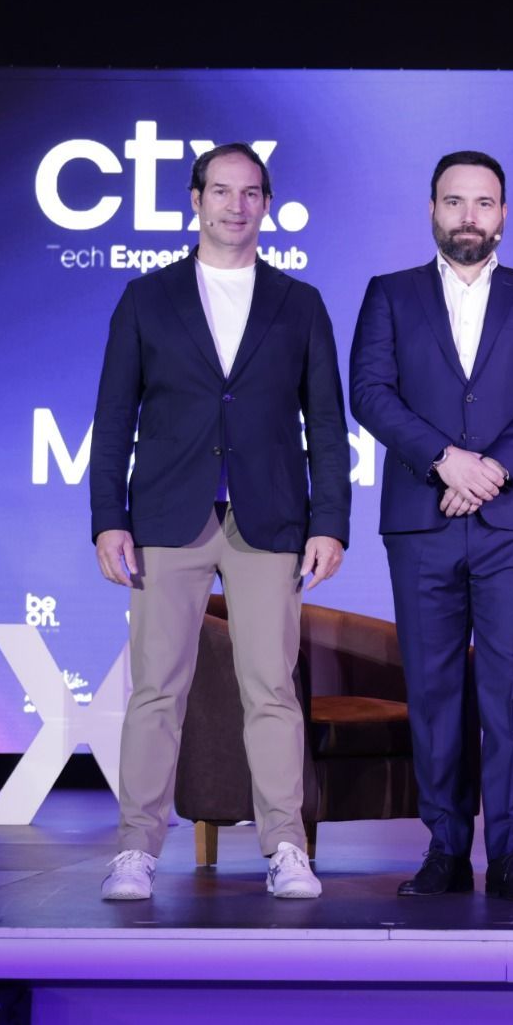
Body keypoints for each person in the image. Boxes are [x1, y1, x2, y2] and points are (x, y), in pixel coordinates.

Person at [89, 143, 351, 900]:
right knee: (156, 691)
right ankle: (136, 849)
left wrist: (329, 522)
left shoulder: (299, 303)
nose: (237, 206)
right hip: (168, 516)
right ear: (196, 200)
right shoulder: (147, 298)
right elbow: (114, 418)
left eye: (251, 193)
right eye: (222, 191)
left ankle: (286, 847)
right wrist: (108, 517)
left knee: (271, 689)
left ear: (266, 204)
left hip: (269, 518)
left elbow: (325, 426)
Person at [349, 151, 513, 903]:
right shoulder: (390, 294)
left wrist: (491, 471)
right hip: (422, 520)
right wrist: (446, 461)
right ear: (432, 210)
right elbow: (370, 393)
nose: (469, 216)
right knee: (433, 687)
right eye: (454, 202)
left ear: (503, 214)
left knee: (512, 690)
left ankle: (512, 853)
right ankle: (445, 848)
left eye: (483, 203)